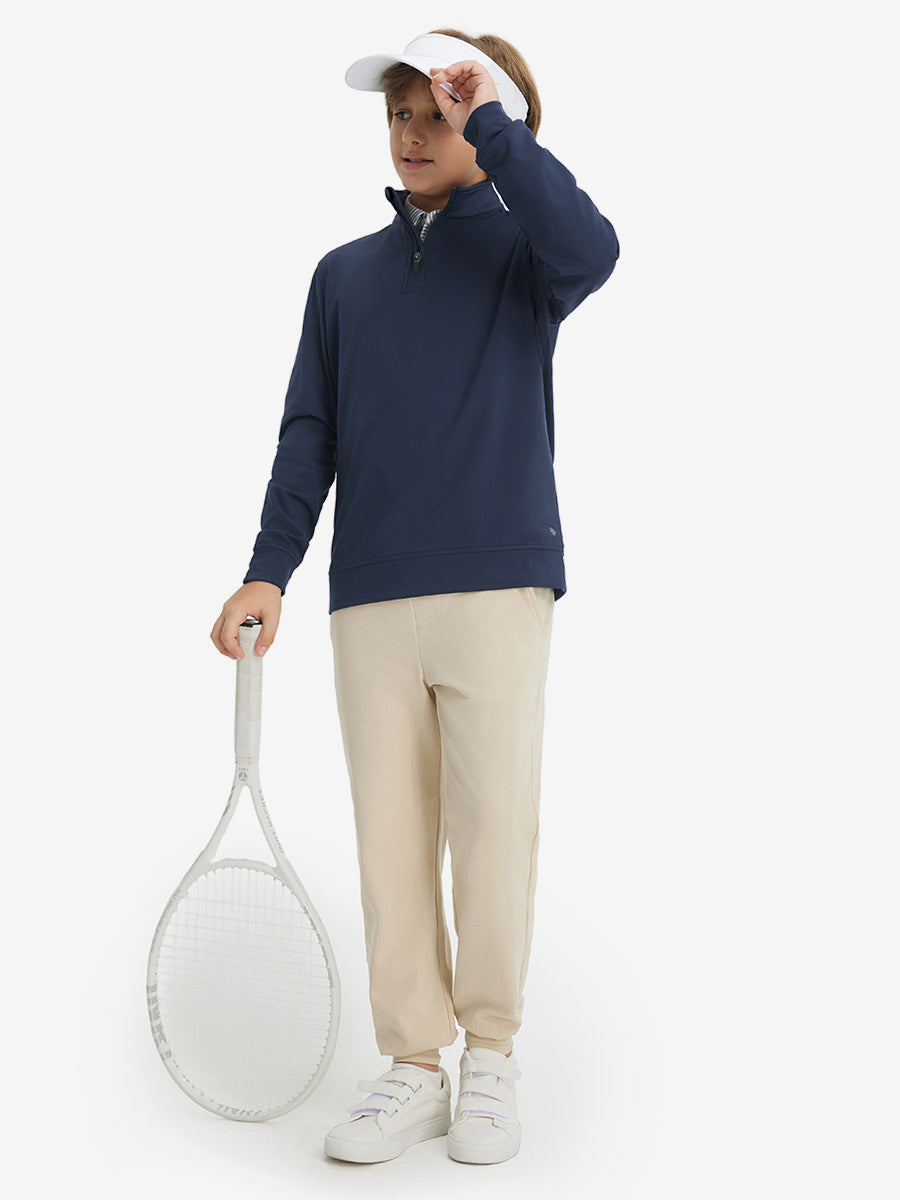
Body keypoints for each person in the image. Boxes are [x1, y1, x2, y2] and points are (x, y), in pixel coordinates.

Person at [210, 28, 619, 1164]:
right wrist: (268, 568)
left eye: (440, 113)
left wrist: (497, 122)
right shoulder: (343, 276)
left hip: (497, 583)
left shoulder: (530, 253)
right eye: (400, 113)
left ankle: (491, 1056)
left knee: (494, 829)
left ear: (492, 124)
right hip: (371, 597)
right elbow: (310, 434)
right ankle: (413, 1065)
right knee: (391, 839)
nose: (412, 133)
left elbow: (596, 246)